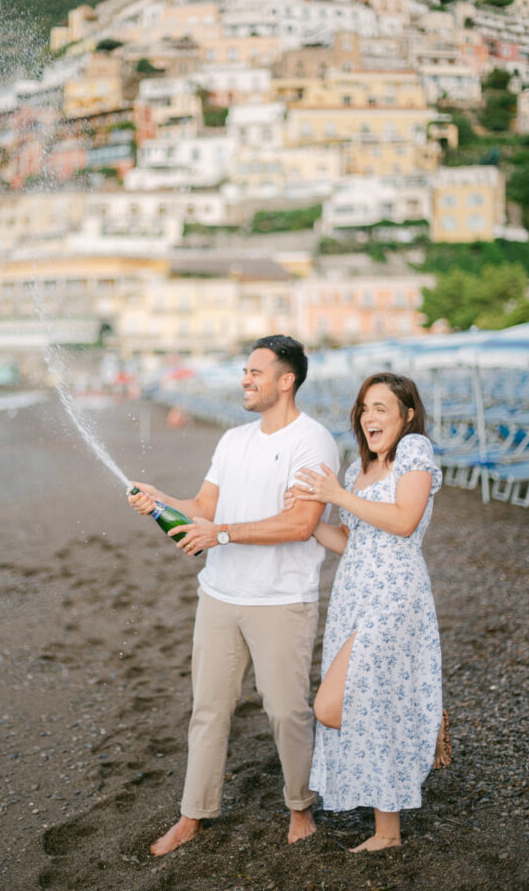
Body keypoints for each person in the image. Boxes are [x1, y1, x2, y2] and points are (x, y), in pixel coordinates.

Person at [128, 335, 340, 856]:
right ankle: (192, 816)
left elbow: (300, 523)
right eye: (244, 372)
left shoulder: (314, 442)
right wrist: (162, 503)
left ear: (286, 380)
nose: (245, 380)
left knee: (286, 710)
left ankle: (299, 807)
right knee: (208, 710)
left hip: (281, 597)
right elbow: (202, 506)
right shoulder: (232, 440)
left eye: (256, 372)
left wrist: (220, 534)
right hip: (219, 594)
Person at [291, 372, 443, 853]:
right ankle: (388, 829)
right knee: (369, 700)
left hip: (396, 593)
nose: (369, 416)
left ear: (407, 414)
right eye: (364, 408)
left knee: (332, 704)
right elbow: (352, 542)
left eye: (381, 407)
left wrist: (336, 496)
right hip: (354, 593)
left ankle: (389, 825)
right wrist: (312, 521)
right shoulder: (359, 472)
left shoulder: (415, 451)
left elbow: (403, 521)